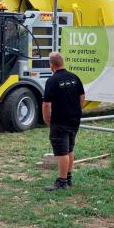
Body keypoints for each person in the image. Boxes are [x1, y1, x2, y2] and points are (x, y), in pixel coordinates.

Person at [42, 52, 85, 191]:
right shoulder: (74, 77)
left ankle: (61, 182)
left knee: (62, 152)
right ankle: (68, 177)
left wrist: (46, 118)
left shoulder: (52, 81)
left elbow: (46, 104)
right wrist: (76, 110)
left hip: (60, 121)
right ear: (62, 62)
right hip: (74, 119)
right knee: (69, 149)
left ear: (51, 64)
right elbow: (82, 97)